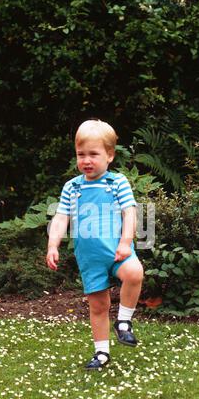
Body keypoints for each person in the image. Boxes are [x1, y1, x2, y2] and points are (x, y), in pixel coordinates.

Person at [46, 119, 144, 370]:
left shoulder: (117, 182)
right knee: (98, 305)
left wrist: (126, 242)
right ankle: (101, 353)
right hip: (89, 258)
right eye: (81, 154)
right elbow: (60, 217)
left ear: (110, 155)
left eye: (93, 154)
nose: (86, 160)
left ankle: (124, 322)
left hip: (117, 249)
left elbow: (130, 213)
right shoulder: (72, 187)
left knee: (134, 273)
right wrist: (53, 245)